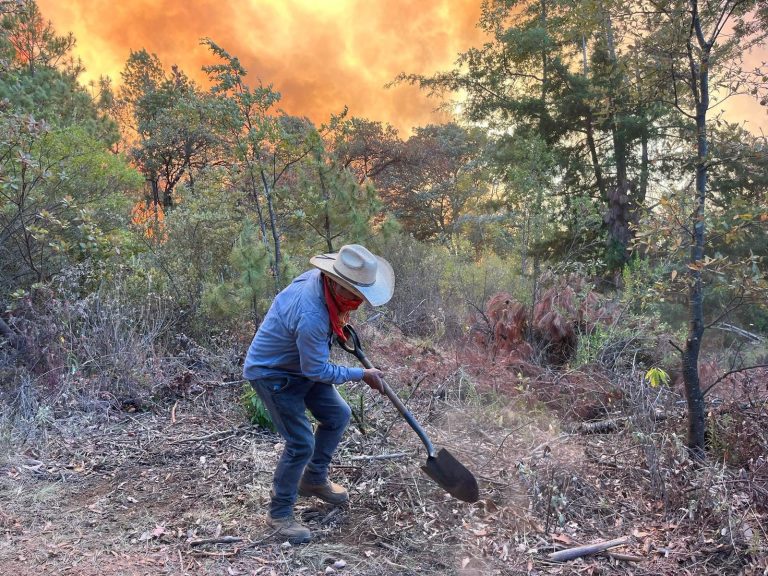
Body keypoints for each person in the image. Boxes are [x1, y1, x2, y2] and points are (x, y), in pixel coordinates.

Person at [243, 244, 395, 543]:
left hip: (299, 365)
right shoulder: (312, 312)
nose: (360, 302)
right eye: (355, 296)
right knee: (301, 443)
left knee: (338, 414)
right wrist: (360, 375)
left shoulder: (323, 286)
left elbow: (313, 359)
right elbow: (317, 370)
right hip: (273, 373)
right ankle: (279, 514)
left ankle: (313, 479)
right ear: (337, 283)